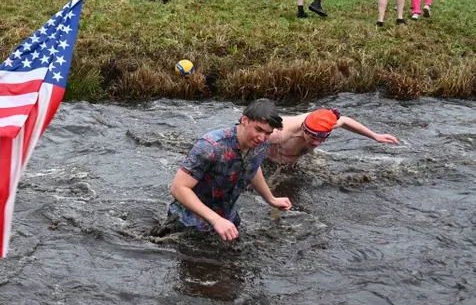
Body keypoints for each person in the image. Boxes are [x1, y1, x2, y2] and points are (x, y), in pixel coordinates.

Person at [167, 99, 291, 242]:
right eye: (258, 129)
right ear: (244, 120)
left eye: (268, 133)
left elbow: (253, 167)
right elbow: (178, 187)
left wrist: (271, 199)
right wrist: (216, 220)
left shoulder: (260, 144)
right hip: (187, 226)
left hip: (227, 222)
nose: (262, 137)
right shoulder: (211, 146)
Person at [266, 108, 399, 164]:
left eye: (322, 139)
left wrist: (375, 136)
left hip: (292, 164)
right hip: (268, 163)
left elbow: (345, 121)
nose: (317, 144)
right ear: (304, 130)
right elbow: (247, 144)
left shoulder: (324, 123)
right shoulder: (279, 134)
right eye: (313, 138)